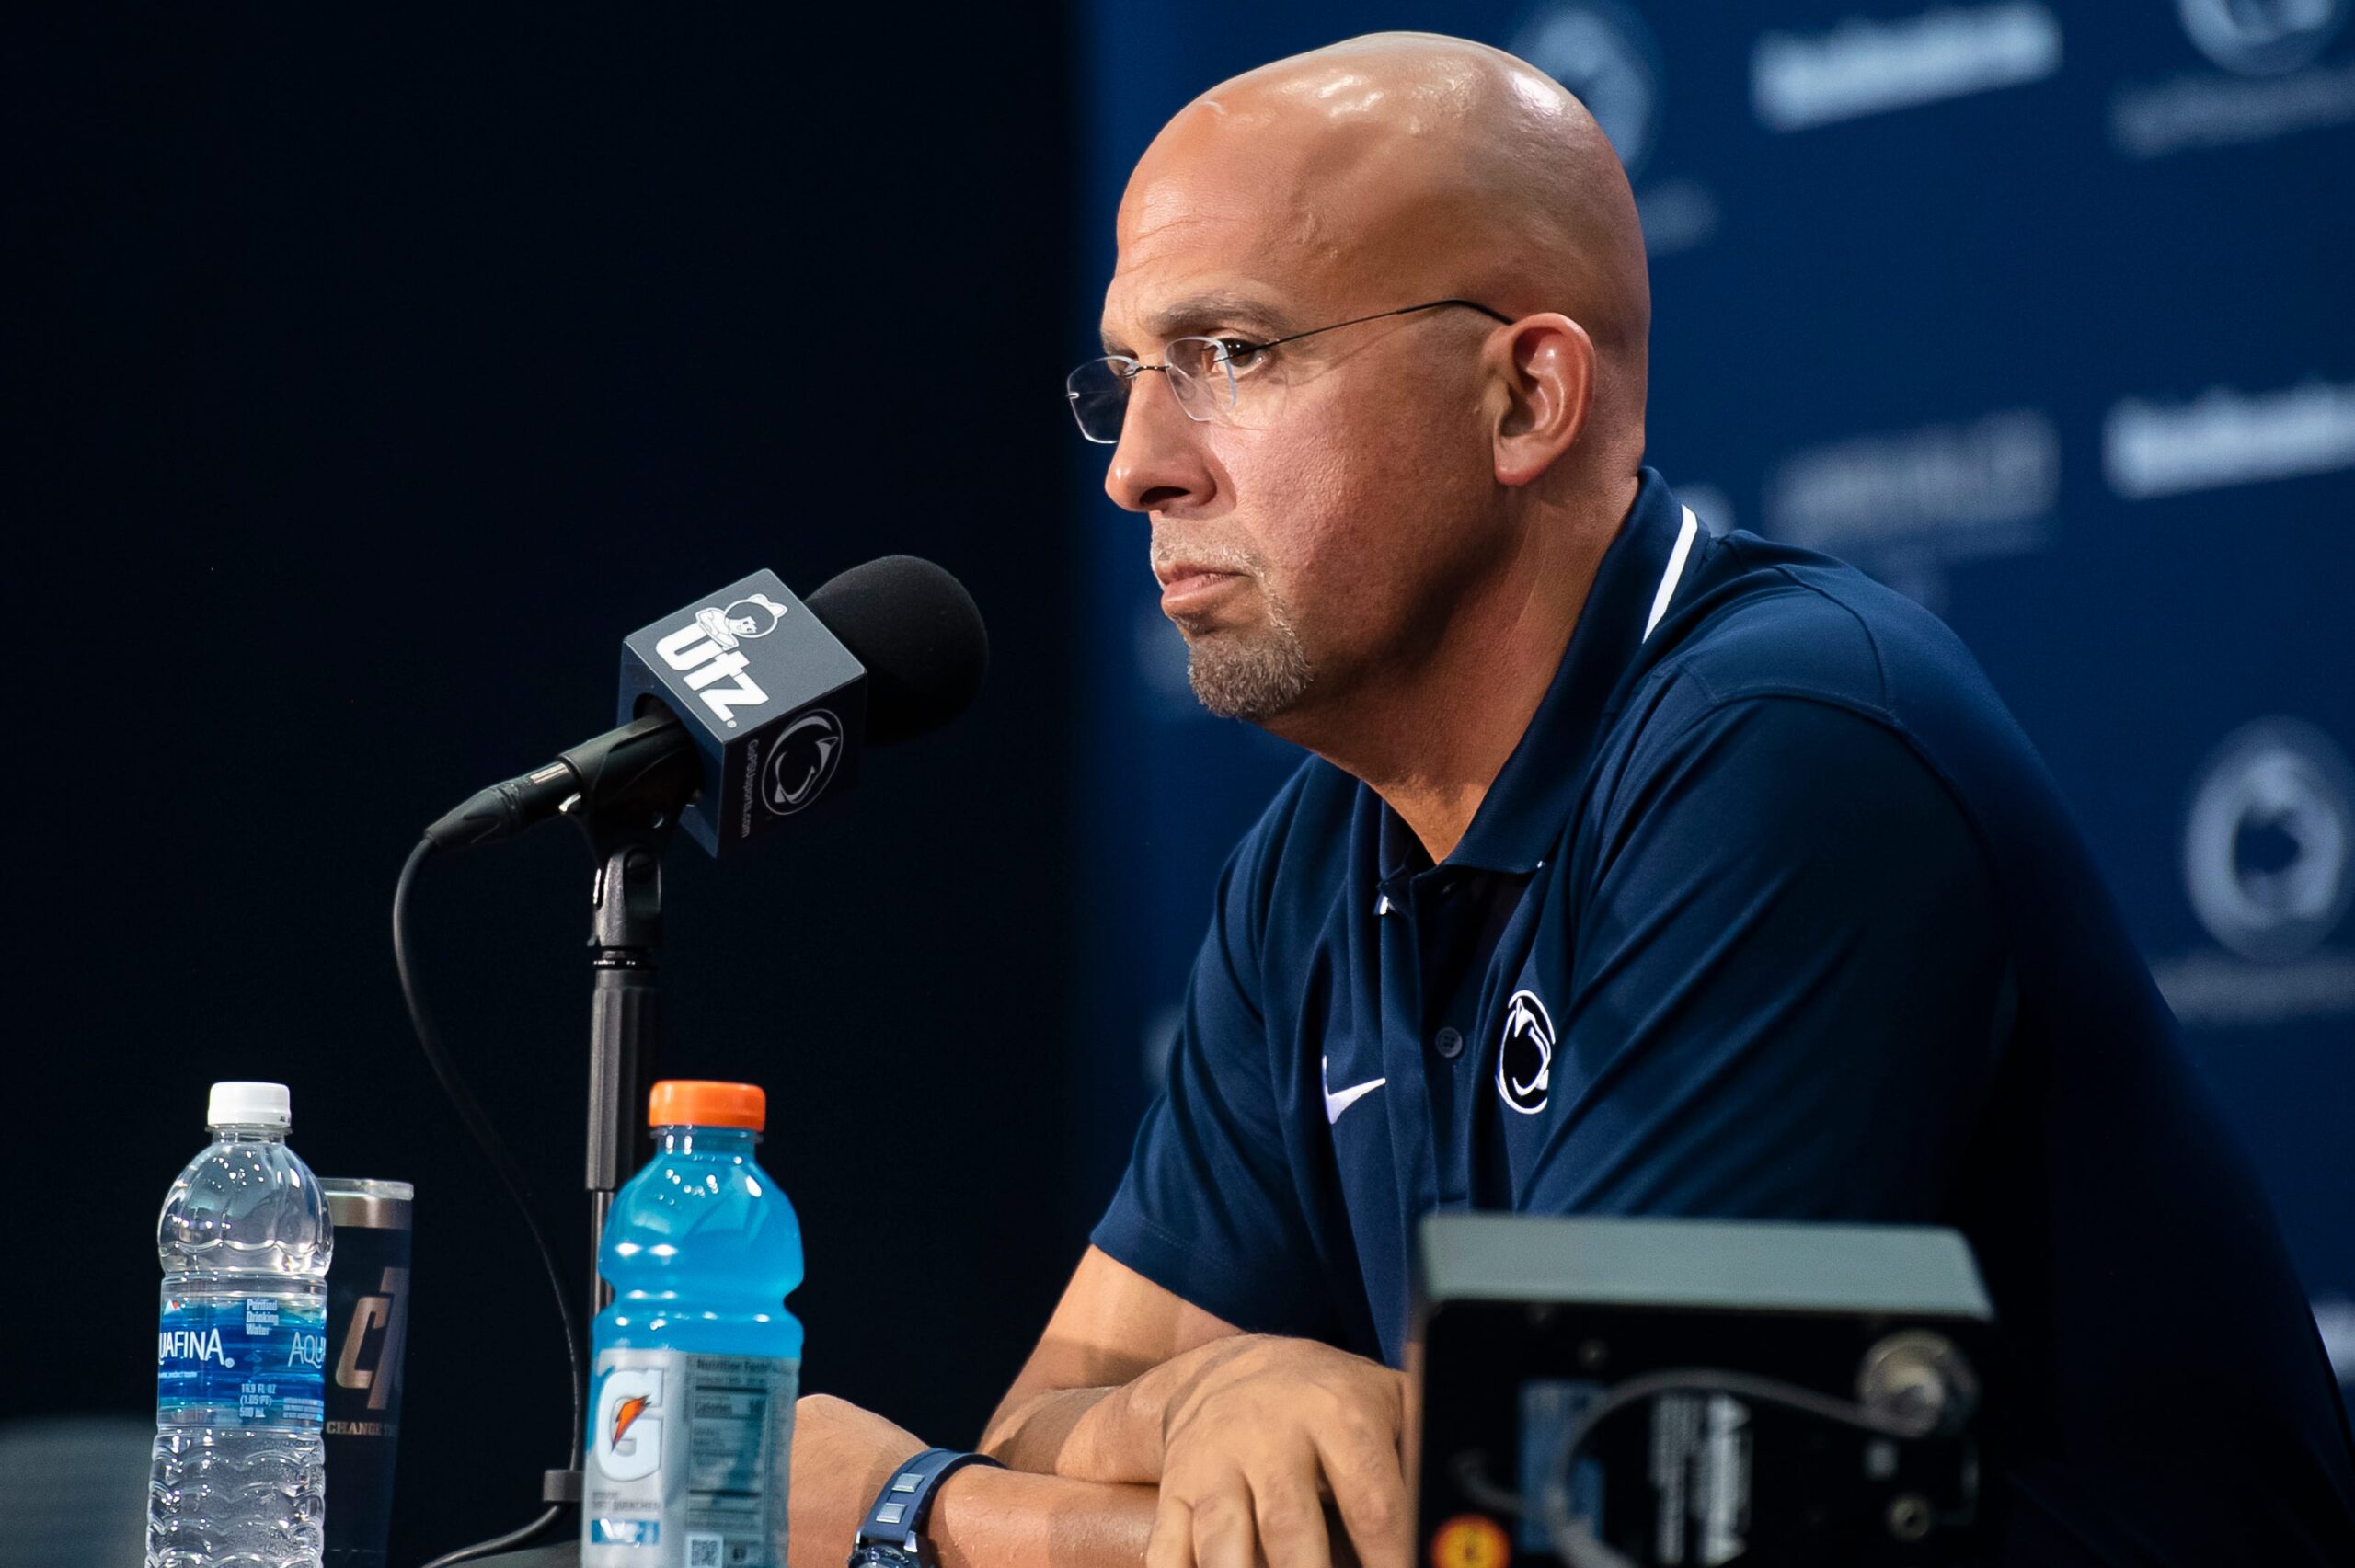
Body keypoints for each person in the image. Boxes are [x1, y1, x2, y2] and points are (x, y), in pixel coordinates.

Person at [788, 31, 2355, 1568]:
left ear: (1527, 398)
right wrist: (1215, 1391)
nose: (1138, 464)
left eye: (1232, 355)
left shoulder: (1788, 748)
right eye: (1130, 374)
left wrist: (916, 1512)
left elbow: (1594, 1526)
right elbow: (1062, 1401)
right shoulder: (1320, 860)